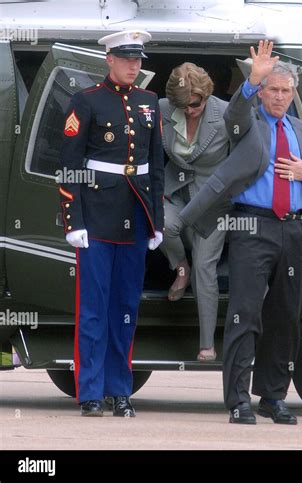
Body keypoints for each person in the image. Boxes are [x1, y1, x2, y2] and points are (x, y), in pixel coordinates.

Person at [179, 40, 302, 424]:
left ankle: (273, 396)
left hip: (295, 231)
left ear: (293, 94)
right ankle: (237, 400)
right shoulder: (247, 123)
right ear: (263, 92)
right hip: (253, 227)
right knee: (244, 314)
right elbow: (234, 113)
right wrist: (252, 80)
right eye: (273, 90)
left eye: (286, 91)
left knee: (286, 317)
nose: (280, 97)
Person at [59, 30, 164, 417]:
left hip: (135, 218)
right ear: (109, 59)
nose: (134, 66)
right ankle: (90, 392)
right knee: (93, 309)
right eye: (126, 58)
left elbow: (156, 169)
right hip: (97, 217)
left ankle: (120, 390)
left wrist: (157, 222)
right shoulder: (85, 101)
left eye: (138, 59)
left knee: (125, 308)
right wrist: (74, 220)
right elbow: (69, 165)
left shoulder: (149, 102)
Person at [158, 63, 229, 362]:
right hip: (175, 192)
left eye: (195, 104)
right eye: (182, 105)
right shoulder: (162, 109)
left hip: (212, 203)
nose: (189, 110)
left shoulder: (226, 114)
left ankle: (206, 344)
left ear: (206, 94)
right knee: (159, 222)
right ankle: (179, 266)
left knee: (205, 269)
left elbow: (246, 160)